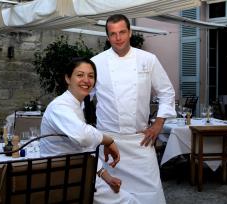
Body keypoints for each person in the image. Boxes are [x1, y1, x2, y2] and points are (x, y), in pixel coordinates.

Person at [91, 14, 176, 204]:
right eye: (113, 34)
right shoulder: (96, 63)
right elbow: (81, 96)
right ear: (107, 37)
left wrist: (158, 125)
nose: (118, 38)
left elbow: (167, 93)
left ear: (130, 32)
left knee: (151, 193)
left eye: (122, 32)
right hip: (108, 143)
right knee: (111, 195)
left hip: (140, 141)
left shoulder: (148, 59)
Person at [40, 57, 137, 200]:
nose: (86, 80)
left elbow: (83, 149)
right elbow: (83, 136)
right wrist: (108, 140)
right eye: (80, 75)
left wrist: (106, 176)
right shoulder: (60, 107)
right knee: (130, 200)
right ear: (68, 78)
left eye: (91, 76)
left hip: (77, 173)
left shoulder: (78, 105)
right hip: (61, 181)